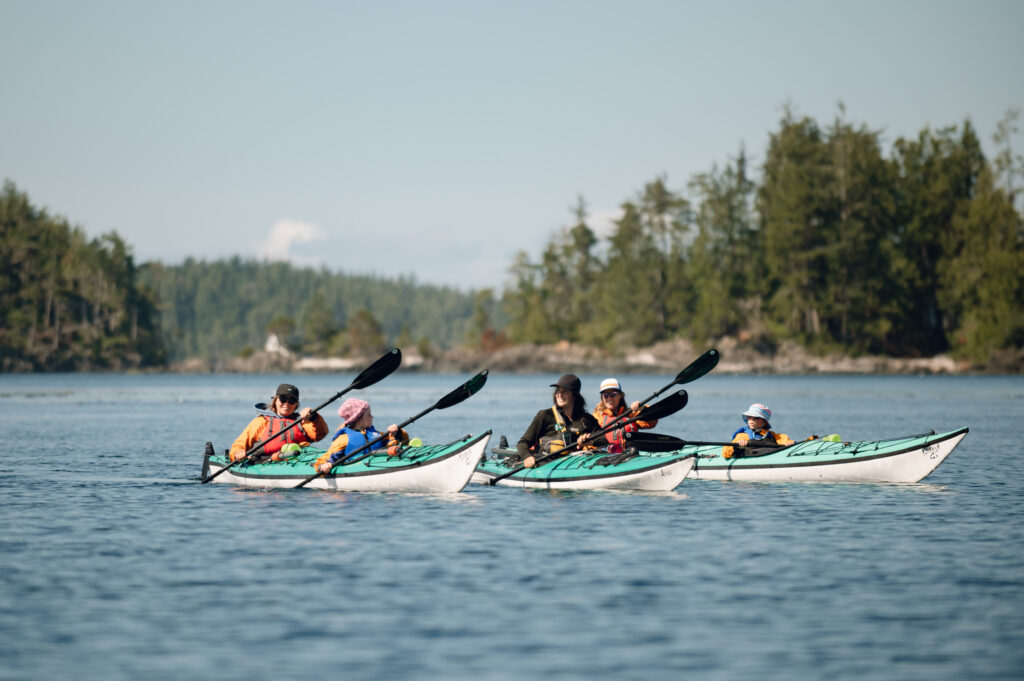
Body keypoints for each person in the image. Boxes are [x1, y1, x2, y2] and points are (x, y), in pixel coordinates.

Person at [516, 373, 603, 468]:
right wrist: (527, 457)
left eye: (565, 391)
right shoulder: (545, 415)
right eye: (558, 391)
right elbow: (523, 443)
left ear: (574, 395)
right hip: (547, 465)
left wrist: (590, 441)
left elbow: (603, 439)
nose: (560, 395)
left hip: (576, 466)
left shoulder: (587, 419)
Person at [229, 383, 329, 462]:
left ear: (296, 404)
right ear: (275, 400)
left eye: (291, 401)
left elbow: (321, 434)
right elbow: (239, 445)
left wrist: (314, 417)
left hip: (297, 461)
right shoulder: (261, 421)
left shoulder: (302, 421)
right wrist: (237, 453)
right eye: (283, 399)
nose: (286, 404)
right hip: (264, 462)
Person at [314, 398, 410, 473]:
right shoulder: (344, 439)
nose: (372, 417)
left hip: (379, 464)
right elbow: (327, 457)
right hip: (356, 470)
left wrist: (397, 432)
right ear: (359, 418)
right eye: (369, 415)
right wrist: (322, 466)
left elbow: (401, 442)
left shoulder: (376, 434)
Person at [591, 377, 658, 453]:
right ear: (602, 398)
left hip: (632, 455)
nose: (609, 398)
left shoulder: (631, 414)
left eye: (613, 394)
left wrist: (642, 408)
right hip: (608, 457)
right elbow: (590, 441)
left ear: (621, 395)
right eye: (605, 395)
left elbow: (651, 422)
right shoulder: (597, 417)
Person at [722, 403, 795, 458]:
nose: (751, 420)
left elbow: (785, 441)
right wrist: (737, 446)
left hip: (771, 456)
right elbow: (725, 452)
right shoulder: (743, 435)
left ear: (764, 421)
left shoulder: (773, 435)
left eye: (756, 418)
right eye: (749, 417)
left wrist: (789, 443)